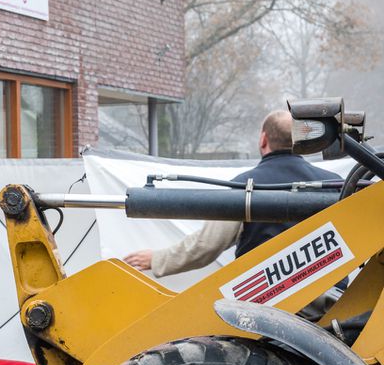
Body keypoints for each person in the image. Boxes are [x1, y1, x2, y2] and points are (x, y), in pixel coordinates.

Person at [123, 110, 340, 276]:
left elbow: (207, 244)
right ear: (302, 142)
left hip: (266, 304)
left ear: (263, 140)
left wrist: (158, 259)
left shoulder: (244, 186)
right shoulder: (334, 185)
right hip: (330, 303)